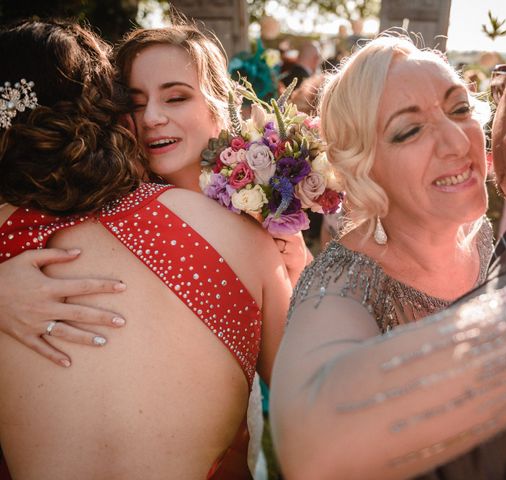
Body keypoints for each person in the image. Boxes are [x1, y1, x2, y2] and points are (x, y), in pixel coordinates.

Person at [269, 9, 506, 478]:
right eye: (409, 130)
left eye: (460, 109)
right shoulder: (342, 281)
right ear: (363, 165)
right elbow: (311, 445)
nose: (455, 141)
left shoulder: (485, 234)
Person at [0, 19, 292, 479]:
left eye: (176, 97)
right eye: (134, 103)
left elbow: (307, 390)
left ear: (221, 105)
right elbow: (313, 401)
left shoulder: (264, 230)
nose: (153, 117)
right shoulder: (243, 241)